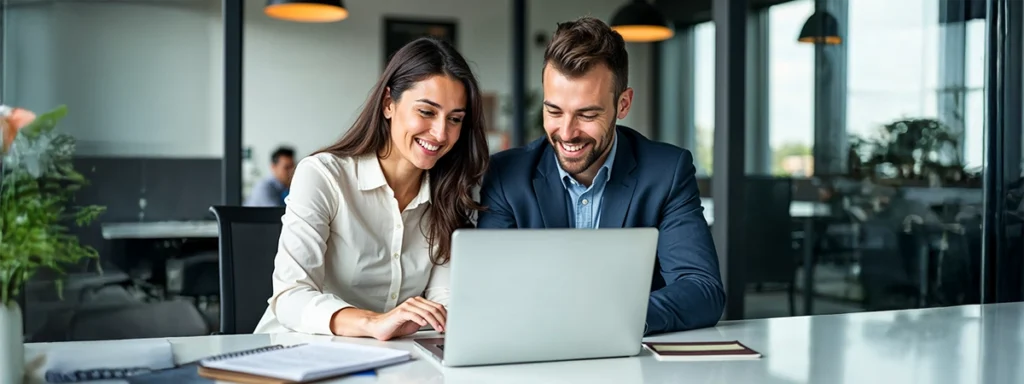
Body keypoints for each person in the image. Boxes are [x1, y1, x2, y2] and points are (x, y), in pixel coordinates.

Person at [476, 17, 725, 335]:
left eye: (587, 114)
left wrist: (611, 319)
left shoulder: (667, 172)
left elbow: (702, 289)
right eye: (554, 111)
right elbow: (488, 289)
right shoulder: (506, 176)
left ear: (623, 104)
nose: (567, 132)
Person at [253, 37, 490, 341]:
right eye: (426, 112)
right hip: (298, 349)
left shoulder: (452, 192)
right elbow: (291, 296)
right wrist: (374, 323)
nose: (441, 133)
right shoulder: (323, 176)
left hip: (393, 356)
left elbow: (442, 297)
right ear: (389, 103)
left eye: (455, 119)